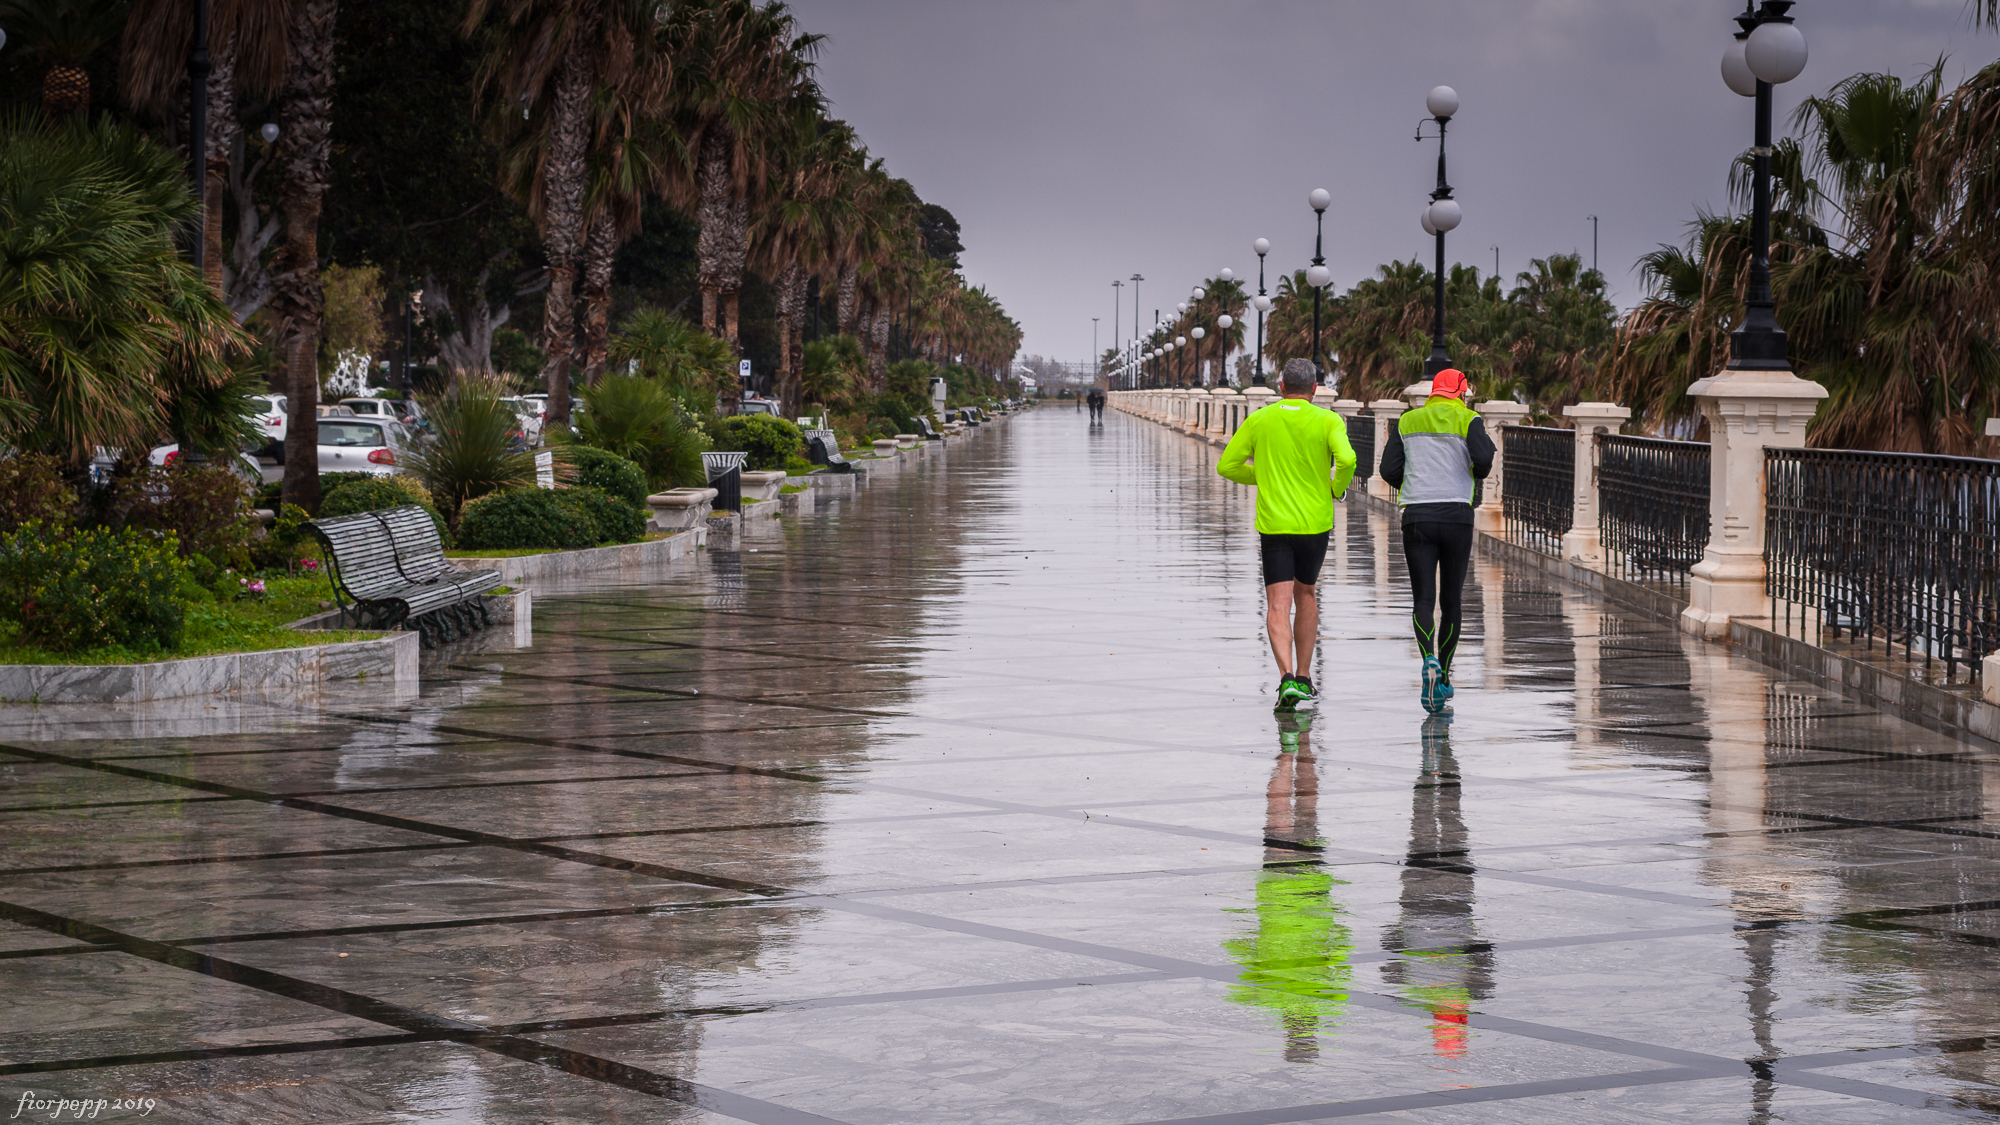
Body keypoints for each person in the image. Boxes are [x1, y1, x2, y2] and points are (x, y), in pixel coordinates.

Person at [1217, 359, 1358, 710]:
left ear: (1281, 386)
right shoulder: (1328, 420)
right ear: (1314, 389)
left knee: (1278, 604)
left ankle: (1286, 679)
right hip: (1314, 523)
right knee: (1306, 594)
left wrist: (1263, 477)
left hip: (1275, 524)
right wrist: (1333, 488)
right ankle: (1306, 676)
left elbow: (1227, 466)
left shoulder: (1260, 419)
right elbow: (1349, 459)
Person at [1377, 368, 1494, 714]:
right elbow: (1484, 461)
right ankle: (1442, 675)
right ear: (1460, 392)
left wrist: (1415, 482)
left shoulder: (1408, 421)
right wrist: (1472, 472)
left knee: (1423, 598)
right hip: (1457, 516)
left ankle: (1427, 657)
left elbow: (1387, 470)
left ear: (1433, 392)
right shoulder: (1469, 419)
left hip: (1418, 516)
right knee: (1452, 599)